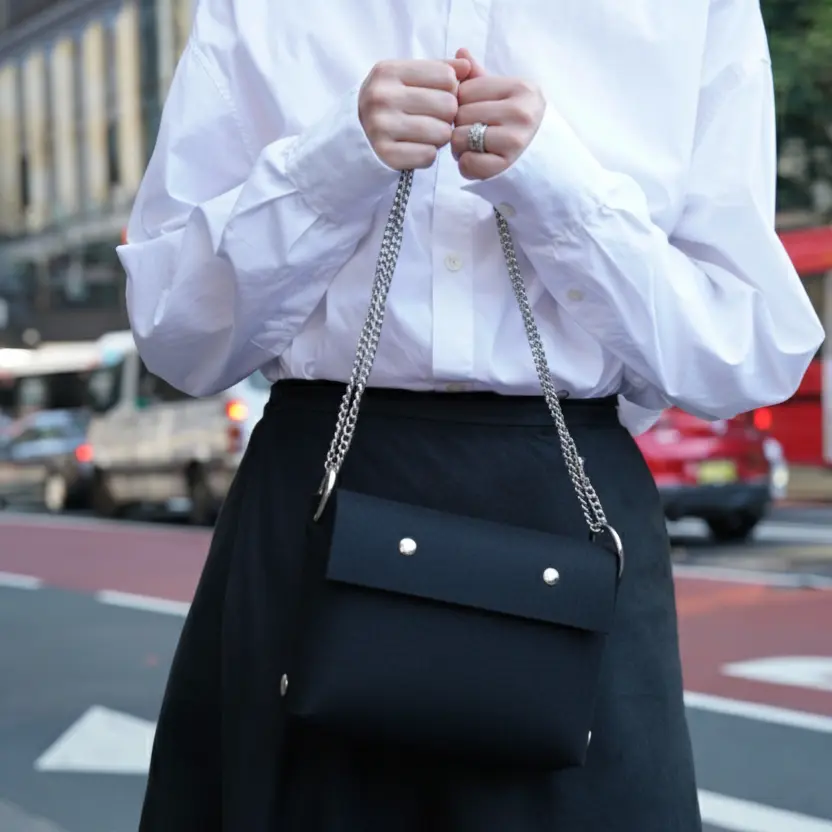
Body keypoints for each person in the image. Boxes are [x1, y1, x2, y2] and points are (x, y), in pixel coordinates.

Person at [118, 0, 824, 829]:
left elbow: (747, 347)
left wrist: (560, 190)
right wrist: (335, 162)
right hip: (318, 510)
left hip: (568, 509)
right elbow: (174, 333)